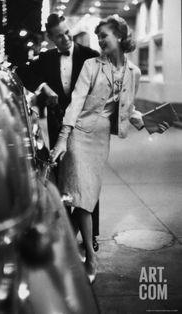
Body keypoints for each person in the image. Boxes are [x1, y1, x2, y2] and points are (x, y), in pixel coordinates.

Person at [50, 15, 169, 283]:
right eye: (99, 35)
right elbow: (76, 102)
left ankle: (63, 251)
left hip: (101, 139)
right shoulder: (92, 66)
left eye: (105, 34)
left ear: (120, 36)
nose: (100, 40)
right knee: (82, 199)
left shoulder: (133, 73)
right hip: (79, 135)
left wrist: (149, 122)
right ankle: (91, 258)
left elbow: (126, 109)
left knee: (85, 198)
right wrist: (62, 137)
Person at [16, 13, 100, 251]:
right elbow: (21, 71)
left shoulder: (90, 56)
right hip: (57, 128)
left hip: (84, 129)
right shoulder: (46, 58)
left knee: (88, 183)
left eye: (67, 32)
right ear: (51, 38)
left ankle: (91, 234)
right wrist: (43, 87)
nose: (66, 38)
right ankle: (65, 229)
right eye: (59, 36)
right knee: (64, 181)